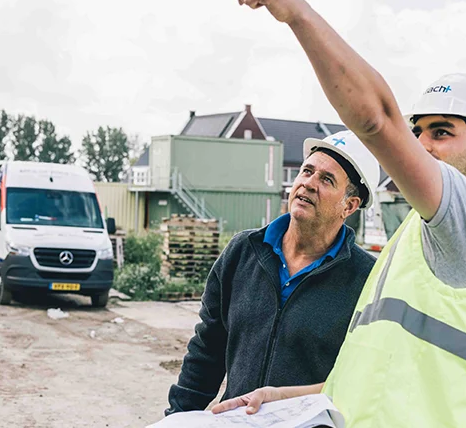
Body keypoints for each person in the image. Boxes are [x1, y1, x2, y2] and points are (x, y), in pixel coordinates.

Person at [212, 0, 466, 427]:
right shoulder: (414, 240)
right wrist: (280, 395)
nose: (422, 145)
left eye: (443, 132)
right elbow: (370, 372)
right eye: (419, 132)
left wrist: (296, 13)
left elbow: (376, 119)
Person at [163, 130, 380, 416]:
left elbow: (363, 380)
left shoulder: (367, 279)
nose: (307, 184)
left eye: (326, 180)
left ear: (349, 206)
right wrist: (178, 417)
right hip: (238, 421)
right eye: (307, 171)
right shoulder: (244, 251)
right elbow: (207, 349)